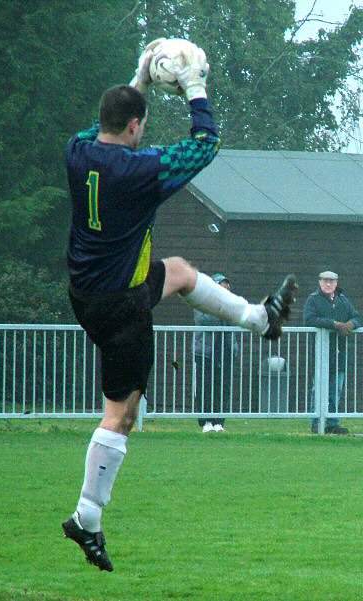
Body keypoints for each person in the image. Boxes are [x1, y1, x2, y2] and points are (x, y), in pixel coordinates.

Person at [62, 38, 298, 572]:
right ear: (134, 128)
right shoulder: (138, 172)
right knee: (120, 417)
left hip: (94, 286)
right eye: (140, 123)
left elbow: (114, 121)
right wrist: (193, 86)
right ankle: (86, 519)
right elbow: (204, 144)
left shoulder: (78, 150)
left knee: (184, 273)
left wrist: (140, 80)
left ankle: (259, 319)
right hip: (118, 304)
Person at [303, 270, 361, 434]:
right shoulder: (313, 300)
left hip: (340, 353)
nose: (328, 284)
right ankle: (316, 423)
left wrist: (350, 324)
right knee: (319, 390)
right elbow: (309, 319)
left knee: (336, 390)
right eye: (325, 281)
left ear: (336, 283)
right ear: (320, 282)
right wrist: (334, 324)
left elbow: (357, 317)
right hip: (321, 353)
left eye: (331, 281)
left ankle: (332, 423)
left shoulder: (343, 300)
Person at [194, 273, 239, 432]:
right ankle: (206, 422)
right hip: (206, 352)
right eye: (222, 284)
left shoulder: (231, 302)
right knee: (205, 385)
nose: (225, 288)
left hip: (225, 349)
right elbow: (205, 320)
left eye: (227, 285)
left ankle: (219, 422)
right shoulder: (201, 300)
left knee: (223, 386)